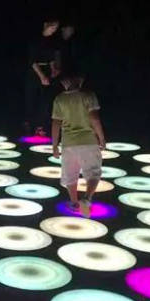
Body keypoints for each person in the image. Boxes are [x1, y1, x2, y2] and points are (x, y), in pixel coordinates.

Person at [51, 68, 106, 218]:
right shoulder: (89, 95)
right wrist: (101, 138)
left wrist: (54, 145)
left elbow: (56, 123)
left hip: (68, 143)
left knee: (70, 174)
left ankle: (74, 203)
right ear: (80, 80)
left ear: (64, 82)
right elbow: (95, 118)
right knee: (93, 172)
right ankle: (87, 198)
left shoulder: (59, 99)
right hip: (88, 140)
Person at [24, 18, 61, 136]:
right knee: (32, 99)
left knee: (45, 100)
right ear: (46, 25)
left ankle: (40, 126)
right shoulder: (35, 40)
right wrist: (42, 76)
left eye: (55, 28)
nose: (53, 30)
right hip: (35, 72)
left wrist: (53, 69)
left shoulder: (51, 41)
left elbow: (51, 58)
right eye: (52, 27)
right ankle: (29, 124)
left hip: (46, 70)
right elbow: (32, 61)